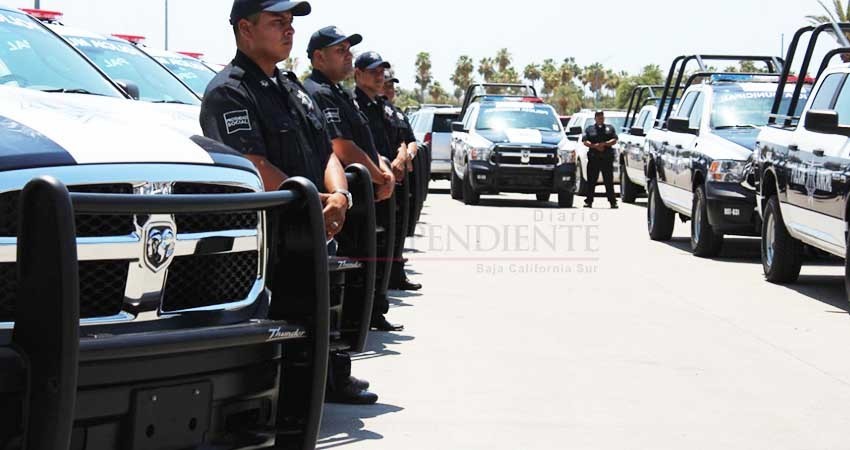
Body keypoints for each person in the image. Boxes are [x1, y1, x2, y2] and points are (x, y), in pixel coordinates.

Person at [199, 0, 377, 405]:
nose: (289, 30)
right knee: (287, 329)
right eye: (277, 22)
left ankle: (328, 379)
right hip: (272, 239)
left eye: (291, 22)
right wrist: (317, 203)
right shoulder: (229, 91)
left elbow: (326, 152)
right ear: (246, 29)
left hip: (315, 223)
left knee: (323, 312)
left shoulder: (292, 87)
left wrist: (340, 197)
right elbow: (252, 165)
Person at [303, 27, 404, 332]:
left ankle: (362, 322)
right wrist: (380, 175)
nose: (348, 57)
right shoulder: (318, 92)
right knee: (347, 272)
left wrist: (381, 171)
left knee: (363, 265)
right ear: (319, 57)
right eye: (341, 51)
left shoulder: (336, 92)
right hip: (346, 196)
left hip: (361, 193)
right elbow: (341, 146)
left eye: (349, 50)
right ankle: (347, 335)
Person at [353, 53, 421, 292]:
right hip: (369, 185)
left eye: (382, 72)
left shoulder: (385, 108)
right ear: (358, 74)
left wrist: (402, 158)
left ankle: (380, 299)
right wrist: (382, 169)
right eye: (374, 72)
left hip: (391, 182)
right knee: (369, 248)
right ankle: (370, 306)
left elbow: (402, 139)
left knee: (389, 240)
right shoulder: (353, 104)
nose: (380, 77)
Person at [582, 111, 619, 209]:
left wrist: (605, 144)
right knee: (591, 181)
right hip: (594, 158)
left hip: (606, 159)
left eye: (602, 117)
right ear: (595, 118)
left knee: (609, 181)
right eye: (598, 117)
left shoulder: (609, 128)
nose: (600, 119)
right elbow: (585, 141)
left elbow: (614, 139)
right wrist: (595, 146)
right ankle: (589, 201)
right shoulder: (590, 129)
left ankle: (613, 202)